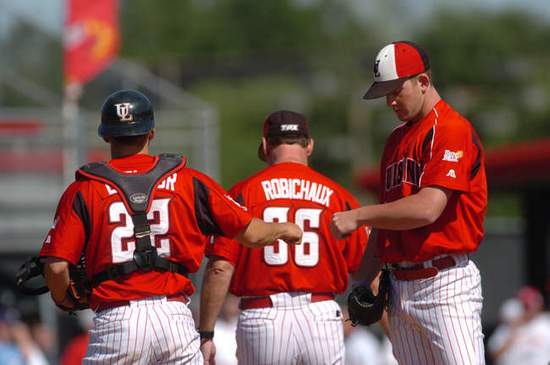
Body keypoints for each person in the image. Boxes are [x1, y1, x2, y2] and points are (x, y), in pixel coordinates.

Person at [38, 90, 302, 365]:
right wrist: (285, 229)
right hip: (173, 317)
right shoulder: (188, 181)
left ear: (106, 135)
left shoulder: (84, 189)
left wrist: (64, 298)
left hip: (117, 319)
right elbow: (252, 233)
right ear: (151, 132)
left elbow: (56, 267)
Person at [331, 41, 487, 364]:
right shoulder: (395, 142)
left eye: (395, 91)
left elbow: (428, 208)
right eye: (384, 94)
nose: (389, 101)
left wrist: (359, 215)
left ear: (423, 82)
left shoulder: (451, 129)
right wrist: (362, 280)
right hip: (400, 289)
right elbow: (386, 222)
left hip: (445, 284)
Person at [199, 110, 369, 365]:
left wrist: (206, 332)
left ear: (266, 145)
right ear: (309, 145)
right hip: (321, 315)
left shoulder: (242, 194)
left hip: (264, 316)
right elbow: (368, 273)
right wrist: (392, 333)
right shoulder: (339, 196)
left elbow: (220, 267)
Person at [488, 286, 550, 365]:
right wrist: (511, 337)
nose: (530, 309)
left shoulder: (545, 323)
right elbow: (493, 355)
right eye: (526, 306)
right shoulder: (508, 327)